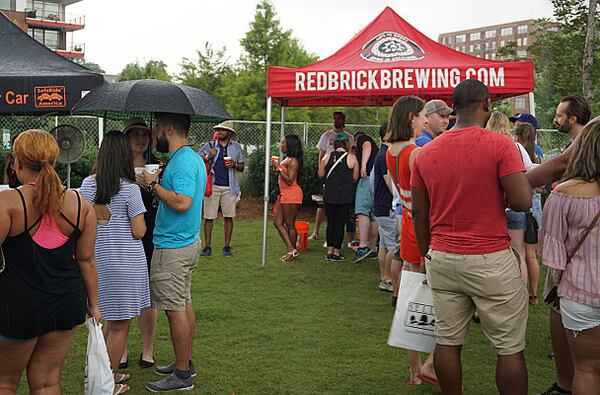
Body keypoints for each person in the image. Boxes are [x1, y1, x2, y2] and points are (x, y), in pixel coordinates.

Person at [411, 79, 532, 394]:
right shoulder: (500, 144)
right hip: (490, 257)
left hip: (442, 257)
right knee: (509, 347)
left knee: (447, 341)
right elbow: (521, 201)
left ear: (453, 108)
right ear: (487, 105)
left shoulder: (425, 153)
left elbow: (419, 213)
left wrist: (427, 253)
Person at [0, 129, 100, 394]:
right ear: (54, 162)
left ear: (17, 164)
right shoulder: (79, 203)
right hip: (66, 303)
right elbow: (87, 260)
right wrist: (95, 304)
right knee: (47, 381)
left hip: (17, 307)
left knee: (5, 383)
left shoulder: (8, 202)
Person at [80, 130, 149, 394]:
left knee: (109, 322)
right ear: (123, 156)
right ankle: (105, 384)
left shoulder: (87, 185)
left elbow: (82, 221)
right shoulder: (131, 190)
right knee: (119, 326)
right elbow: (139, 231)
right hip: (127, 265)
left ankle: (106, 375)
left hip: (98, 264)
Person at [142, 113, 206, 392]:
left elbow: (182, 202)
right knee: (183, 304)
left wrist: (153, 185)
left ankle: (181, 376)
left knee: (174, 309)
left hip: (173, 247)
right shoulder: (189, 158)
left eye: (157, 127)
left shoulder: (182, 161)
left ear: (168, 129)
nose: (155, 132)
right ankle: (185, 363)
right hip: (186, 242)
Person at [540, 118, 600, 395]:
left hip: (580, 293)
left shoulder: (563, 194)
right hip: (581, 294)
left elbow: (552, 256)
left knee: (586, 369)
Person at [385, 95, 436, 386]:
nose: (425, 120)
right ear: (411, 119)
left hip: (406, 223)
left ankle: (414, 371)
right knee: (430, 298)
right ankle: (428, 365)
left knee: (412, 298)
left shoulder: (392, 150)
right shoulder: (414, 152)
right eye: (421, 115)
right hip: (420, 226)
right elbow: (427, 196)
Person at [120, 117, 160, 369]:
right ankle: (120, 349)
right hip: (123, 234)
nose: (140, 138)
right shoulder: (116, 167)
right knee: (122, 292)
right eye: (134, 133)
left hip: (152, 232)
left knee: (149, 293)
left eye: (144, 133)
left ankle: (148, 349)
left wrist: (153, 183)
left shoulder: (157, 165)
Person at [487, 112, 532, 285]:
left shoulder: (486, 147)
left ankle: (497, 290)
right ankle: (520, 290)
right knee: (518, 252)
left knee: (492, 254)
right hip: (515, 206)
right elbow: (529, 171)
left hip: (493, 208)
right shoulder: (516, 147)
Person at [199, 120, 244, 258]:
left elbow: (242, 167)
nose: (219, 132)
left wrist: (234, 164)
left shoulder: (236, 148)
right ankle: (207, 247)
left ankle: (227, 246)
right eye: (218, 130)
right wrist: (208, 156)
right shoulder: (209, 145)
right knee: (208, 217)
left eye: (223, 130)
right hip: (212, 186)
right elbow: (197, 161)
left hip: (230, 187)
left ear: (229, 133)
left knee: (228, 217)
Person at [310, 112, 355, 241]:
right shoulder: (326, 136)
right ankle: (316, 232)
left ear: (344, 120)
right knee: (322, 205)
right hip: (328, 174)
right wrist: (321, 169)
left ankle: (346, 237)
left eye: (339, 118)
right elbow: (321, 154)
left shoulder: (349, 137)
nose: (337, 121)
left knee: (343, 207)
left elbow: (352, 154)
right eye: (335, 119)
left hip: (343, 175)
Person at [514, 123, 543, 305]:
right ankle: (533, 295)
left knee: (520, 254)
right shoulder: (537, 153)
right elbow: (541, 185)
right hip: (535, 205)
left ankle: (520, 294)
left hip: (523, 205)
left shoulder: (516, 152)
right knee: (531, 254)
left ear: (518, 135)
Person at [318, 131, 358, 261]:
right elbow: (355, 177)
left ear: (334, 143)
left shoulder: (327, 157)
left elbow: (320, 174)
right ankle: (337, 252)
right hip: (344, 196)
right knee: (340, 223)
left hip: (329, 194)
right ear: (347, 143)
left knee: (331, 223)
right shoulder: (352, 158)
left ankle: (329, 251)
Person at [373, 122, 398, 300]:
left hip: (381, 206)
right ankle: (388, 278)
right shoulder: (385, 155)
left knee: (383, 244)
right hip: (387, 206)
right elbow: (390, 183)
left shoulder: (382, 153)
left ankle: (384, 277)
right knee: (393, 246)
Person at [271, 135, 304, 262]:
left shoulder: (293, 161)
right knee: (277, 223)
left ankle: (292, 251)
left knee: (290, 224)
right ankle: (291, 249)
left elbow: (290, 180)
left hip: (292, 194)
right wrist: (277, 167)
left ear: (289, 145)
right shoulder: (287, 159)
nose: (281, 144)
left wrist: (278, 167)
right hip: (284, 194)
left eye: (283, 142)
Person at [352, 130, 379, 262]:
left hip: (367, 180)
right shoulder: (378, 150)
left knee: (363, 213)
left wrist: (363, 165)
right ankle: (373, 248)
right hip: (377, 181)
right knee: (373, 216)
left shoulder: (363, 139)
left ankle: (362, 247)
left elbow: (366, 144)